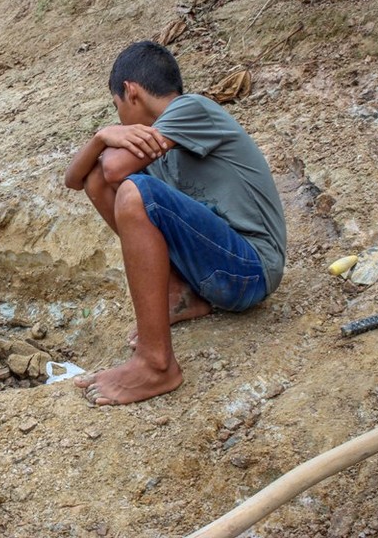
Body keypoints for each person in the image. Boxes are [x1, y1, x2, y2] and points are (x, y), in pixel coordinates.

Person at [64, 41, 286, 406]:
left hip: (251, 269)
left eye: (115, 107)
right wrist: (101, 136)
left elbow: (116, 168)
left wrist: (110, 143)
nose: (118, 118)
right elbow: (78, 180)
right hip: (219, 272)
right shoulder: (155, 144)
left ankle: (156, 365)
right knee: (98, 182)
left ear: (130, 92)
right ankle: (181, 295)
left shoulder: (192, 108)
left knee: (135, 191)